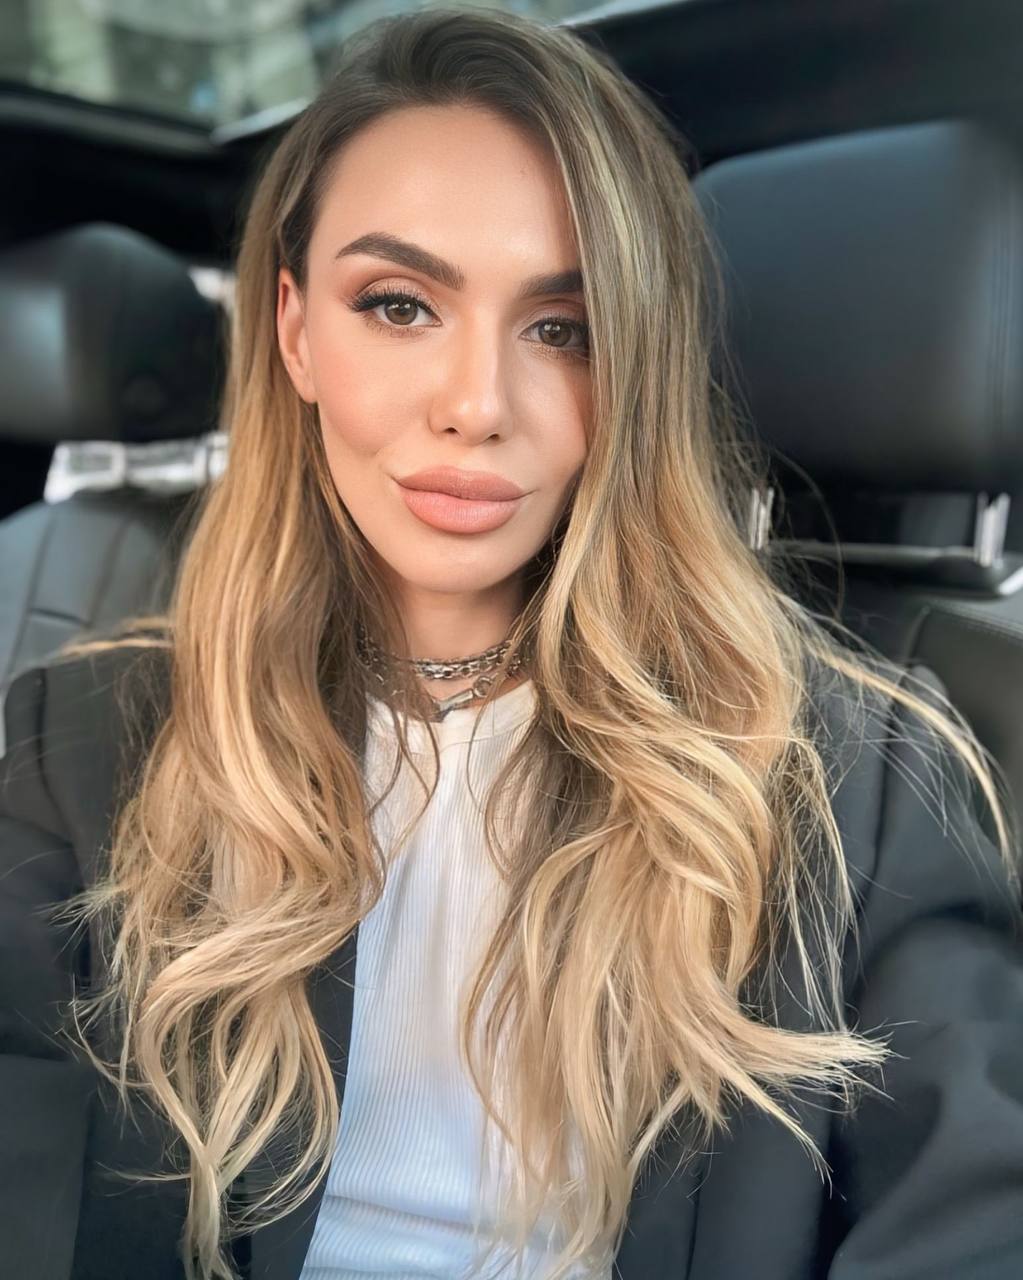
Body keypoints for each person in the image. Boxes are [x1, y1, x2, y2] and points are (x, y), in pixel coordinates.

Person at [1, 8, 1022, 1280]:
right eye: (398, 305)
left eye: (563, 327)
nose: (477, 404)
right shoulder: (80, 749)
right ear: (295, 331)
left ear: (637, 365)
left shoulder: (857, 782)